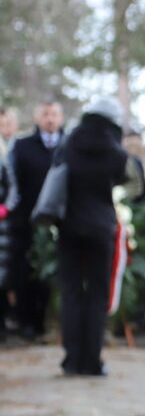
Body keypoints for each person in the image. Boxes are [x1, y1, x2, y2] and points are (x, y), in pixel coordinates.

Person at [56, 97, 128, 376]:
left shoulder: (68, 146)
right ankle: (93, 362)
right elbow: (120, 180)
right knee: (97, 294)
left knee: (71, 292)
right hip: (100, 228)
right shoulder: (116, 154)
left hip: (69, 227)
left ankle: (71, 361)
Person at [8, 100, 65, 341]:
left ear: (60, 118)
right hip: (27, 223)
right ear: (36, 117)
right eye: (45, 114)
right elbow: (12, 184)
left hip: (62, 223)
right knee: (27, 274)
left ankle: (53, 323)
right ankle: (28, 323)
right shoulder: (21, 146)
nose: (49, 119)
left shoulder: (70, 145)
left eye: (53, 114)